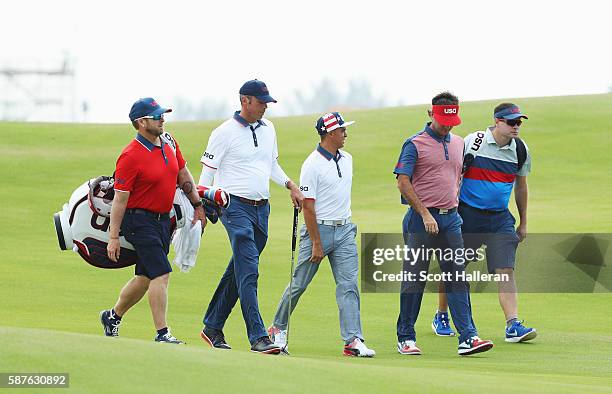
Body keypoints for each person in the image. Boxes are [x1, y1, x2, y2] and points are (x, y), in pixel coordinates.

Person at [198, 80, 304, 354]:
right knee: (249, 272)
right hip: (233, 208)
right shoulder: (223, 133)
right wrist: (201, 206)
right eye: (261, 102)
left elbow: (271, 165)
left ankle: (212, 326)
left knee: (239, 269)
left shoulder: (269, 129)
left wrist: (290, 185)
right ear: (245, 101)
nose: (265, 107)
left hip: (262, 209)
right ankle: (258, 336)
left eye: (267, 102)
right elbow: (206, 177)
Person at [267, 112, 376, 357]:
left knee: (348, 286)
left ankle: (353, 340)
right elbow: (308, 206)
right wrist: (316, 242)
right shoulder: (312, 164)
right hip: (319, 230)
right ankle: (277, 327)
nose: (345, 133)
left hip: (345, 229)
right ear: (329, 134)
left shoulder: (347, 159)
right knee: (299, 284)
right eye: (341, 130)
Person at [393, 92, 494, 356]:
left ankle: (468, 337)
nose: (447, 126)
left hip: (451, 220)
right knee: (415, 279)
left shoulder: (459, 143)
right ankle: (406, 337)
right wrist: (425, 213)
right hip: (420, 220)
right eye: (442, 121)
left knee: (457, 278)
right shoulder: (414, 144)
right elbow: (403, 182)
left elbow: (456, 178)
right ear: (430, 114)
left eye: (451, 121)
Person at [101, 97, 206, 343]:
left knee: (146, 277)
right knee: (161, 273)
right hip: (138, 221)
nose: (162, 119)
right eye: (157, 116)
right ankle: (162, 333)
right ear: (141, 122)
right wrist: (113, 237)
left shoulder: (168, 143)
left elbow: (183, 174)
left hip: (162, 221)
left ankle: (112, 316)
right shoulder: (129, 156)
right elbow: (120, 200)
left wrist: (198, 204)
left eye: (162, 114)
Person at [432, 102, 536, 343]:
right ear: (497, 121)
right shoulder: (474, 142)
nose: (516, 127)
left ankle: (513, 325)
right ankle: (441, 315)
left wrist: (523, 221)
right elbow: (453, 173)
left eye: (519, 122)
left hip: (501, 218)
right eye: (511, 122)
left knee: (505, 270)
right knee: (454, 268)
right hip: (468, 215)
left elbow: (521, 186)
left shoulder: (520, 149)